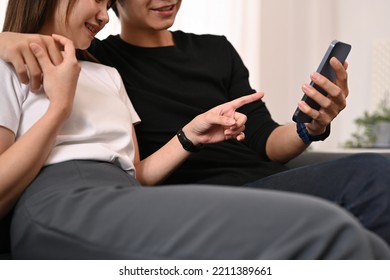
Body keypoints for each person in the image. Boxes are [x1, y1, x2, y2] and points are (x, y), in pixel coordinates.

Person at [0, 0, 389, 260]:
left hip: (151, 192)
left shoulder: (110, 74)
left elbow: (262, 139)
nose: (100, 13)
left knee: (374, 193)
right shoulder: (81, 56)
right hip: (154, 198)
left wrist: (310, 126)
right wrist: (8, 42)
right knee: (329, 229)